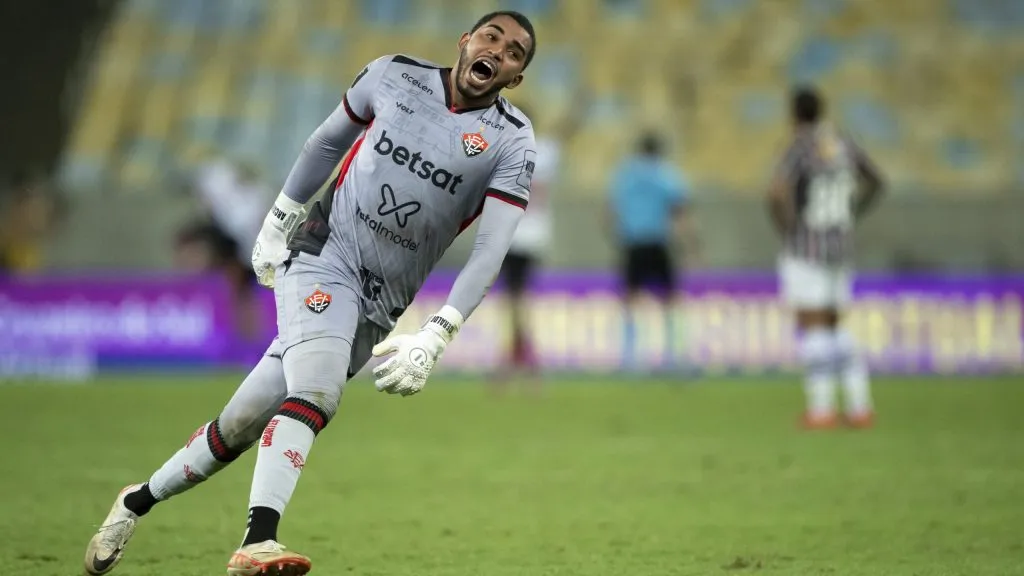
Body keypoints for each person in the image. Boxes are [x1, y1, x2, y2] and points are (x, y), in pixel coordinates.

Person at [83, 11, 538, 576]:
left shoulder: (512, 139)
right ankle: (260, 542)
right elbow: (326, 143)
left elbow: (491, 248)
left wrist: (439, 330)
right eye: (491, 36)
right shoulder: (393, 75)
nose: (499, 49)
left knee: (241, 424)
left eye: (515, 51)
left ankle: (134, 502)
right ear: (465, 41)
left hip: (380, 302)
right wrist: (280, 216)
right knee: (317, 393)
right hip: (324, 253)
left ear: (514, 78)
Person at [766, 86, 885, 430]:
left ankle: (821, 410)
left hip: (807, 247)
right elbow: (876, 181)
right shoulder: (844, 143)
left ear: (794, 113)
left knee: (813, 323)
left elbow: (776, 191)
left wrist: (787, 227)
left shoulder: (799, 147)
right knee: (836, 323)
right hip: (842, 247)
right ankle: (860, 406)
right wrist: (852, 212)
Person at [495, 103, 580, 385]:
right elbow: (565, 134)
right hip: (535, 236)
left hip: (512, 235)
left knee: (514, 301)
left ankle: (520, 361)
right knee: (517, 300)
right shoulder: (545, 150)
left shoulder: (504, 147)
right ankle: (520, 360)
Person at [606, 132, 697, 372]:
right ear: (659, 151)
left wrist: (617, 235)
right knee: (670, 299)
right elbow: (680, 211)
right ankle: (675, 355)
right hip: (658, 242)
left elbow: (611, 211)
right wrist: (690, 244)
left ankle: (630, 357)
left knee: (630, 299)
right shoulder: (667, 174)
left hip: (632, 243)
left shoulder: (625, 174)